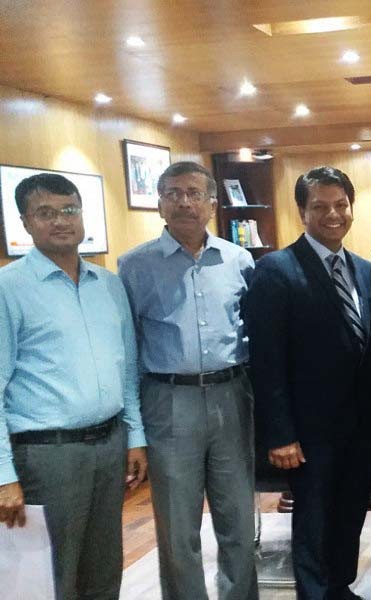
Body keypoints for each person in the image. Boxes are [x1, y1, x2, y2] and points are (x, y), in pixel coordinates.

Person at [0, 173, 147, 599]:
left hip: (109, 445)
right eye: (45, 213)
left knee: (104, 569)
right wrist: (4, 475)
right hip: (48, 455)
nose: (60, 221)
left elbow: (127, 369)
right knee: (51, 575)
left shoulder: (109, 285)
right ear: (25, 223)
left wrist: (134, 438)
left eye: (69, 210)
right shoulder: (10, 289)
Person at [118, 161, 258, 600]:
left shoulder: (239, 259)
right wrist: (134, 429)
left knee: (237, 517)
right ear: (159, 203)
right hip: (168, 400)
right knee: (178, 526)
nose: (184, 201)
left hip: (232, 394)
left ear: (212, 204)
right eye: (173, 193)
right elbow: (127, 349)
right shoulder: (134, 266)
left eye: (194, 193)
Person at [244, 166, 371, 600]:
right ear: (302, 211)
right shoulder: (275, 271)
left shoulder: (363, 269)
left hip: (359, 425)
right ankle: (315, 594)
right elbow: (266, 361)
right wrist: (280, 434)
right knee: (314, 521)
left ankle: (340, 587)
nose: (332, 214)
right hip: (307, 432)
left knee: (350, 514)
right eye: (319, 206)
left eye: (341, 205)